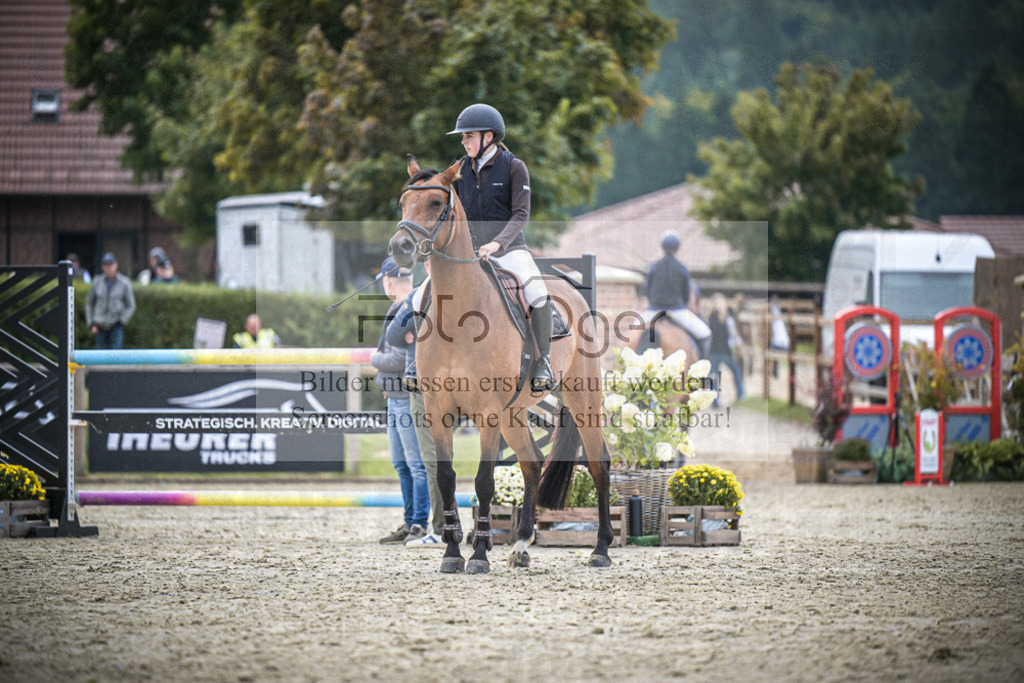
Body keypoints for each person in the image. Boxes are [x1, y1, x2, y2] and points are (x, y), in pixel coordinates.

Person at [447, 103, 555, 392]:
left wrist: (497, 243)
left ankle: (543, 361)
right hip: (470, 253)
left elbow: (521, 214)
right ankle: (420, 361)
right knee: (426, 291)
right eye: (463, 137)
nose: (463, 141)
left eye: (468, 136)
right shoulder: (459, 169)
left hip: (509, 249)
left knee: (536, 291)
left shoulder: (514, 167)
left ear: (489, 136)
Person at [385, 259, 444, 547]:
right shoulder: (419, 293)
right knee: (416, 462)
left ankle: (430, 525)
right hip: (420, 386)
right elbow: (394, 334)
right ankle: (422, 523)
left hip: (430, 385)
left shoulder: (420, 292)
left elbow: (395, 338)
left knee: (424, 462)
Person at [373, 257, 430, 545]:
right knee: (402, 464)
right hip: (396, 396)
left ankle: (419, 522)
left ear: (387, 280)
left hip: (406, 397)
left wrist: (373, 359)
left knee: (415, 464)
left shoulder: (407, 308)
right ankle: (410, 521)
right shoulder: (401, 307)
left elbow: (397, 359)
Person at [646, 229, 711, 355]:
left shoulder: (653, 267)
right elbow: (686, 293)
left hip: (653, 310)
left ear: (662, 247)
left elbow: (648, 290)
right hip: (677, 311)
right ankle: (703, 365)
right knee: (705, 333)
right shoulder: (682, 268)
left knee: (630, 332)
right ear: (677, 248)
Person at [85, 252, 136, 350]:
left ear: (116, 265)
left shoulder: (124, 282)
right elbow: (89, 303)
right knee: (101, 355)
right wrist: (91, 323)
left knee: (115, 355)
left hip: (116, 324)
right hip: (99, 325)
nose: (108, 267)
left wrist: (122, 320)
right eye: (106, 264)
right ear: (102, 267)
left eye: (110, 264)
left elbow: (131, 305)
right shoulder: (97, 282)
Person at [707, 293, 745, 407]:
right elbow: (734, 335)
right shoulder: (726, 319)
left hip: (716, 351)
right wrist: (739, 345)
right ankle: (740, 395)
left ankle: (716, 401)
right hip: (722, 351)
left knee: (715, 376)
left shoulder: (710, 318)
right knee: (735, 371)